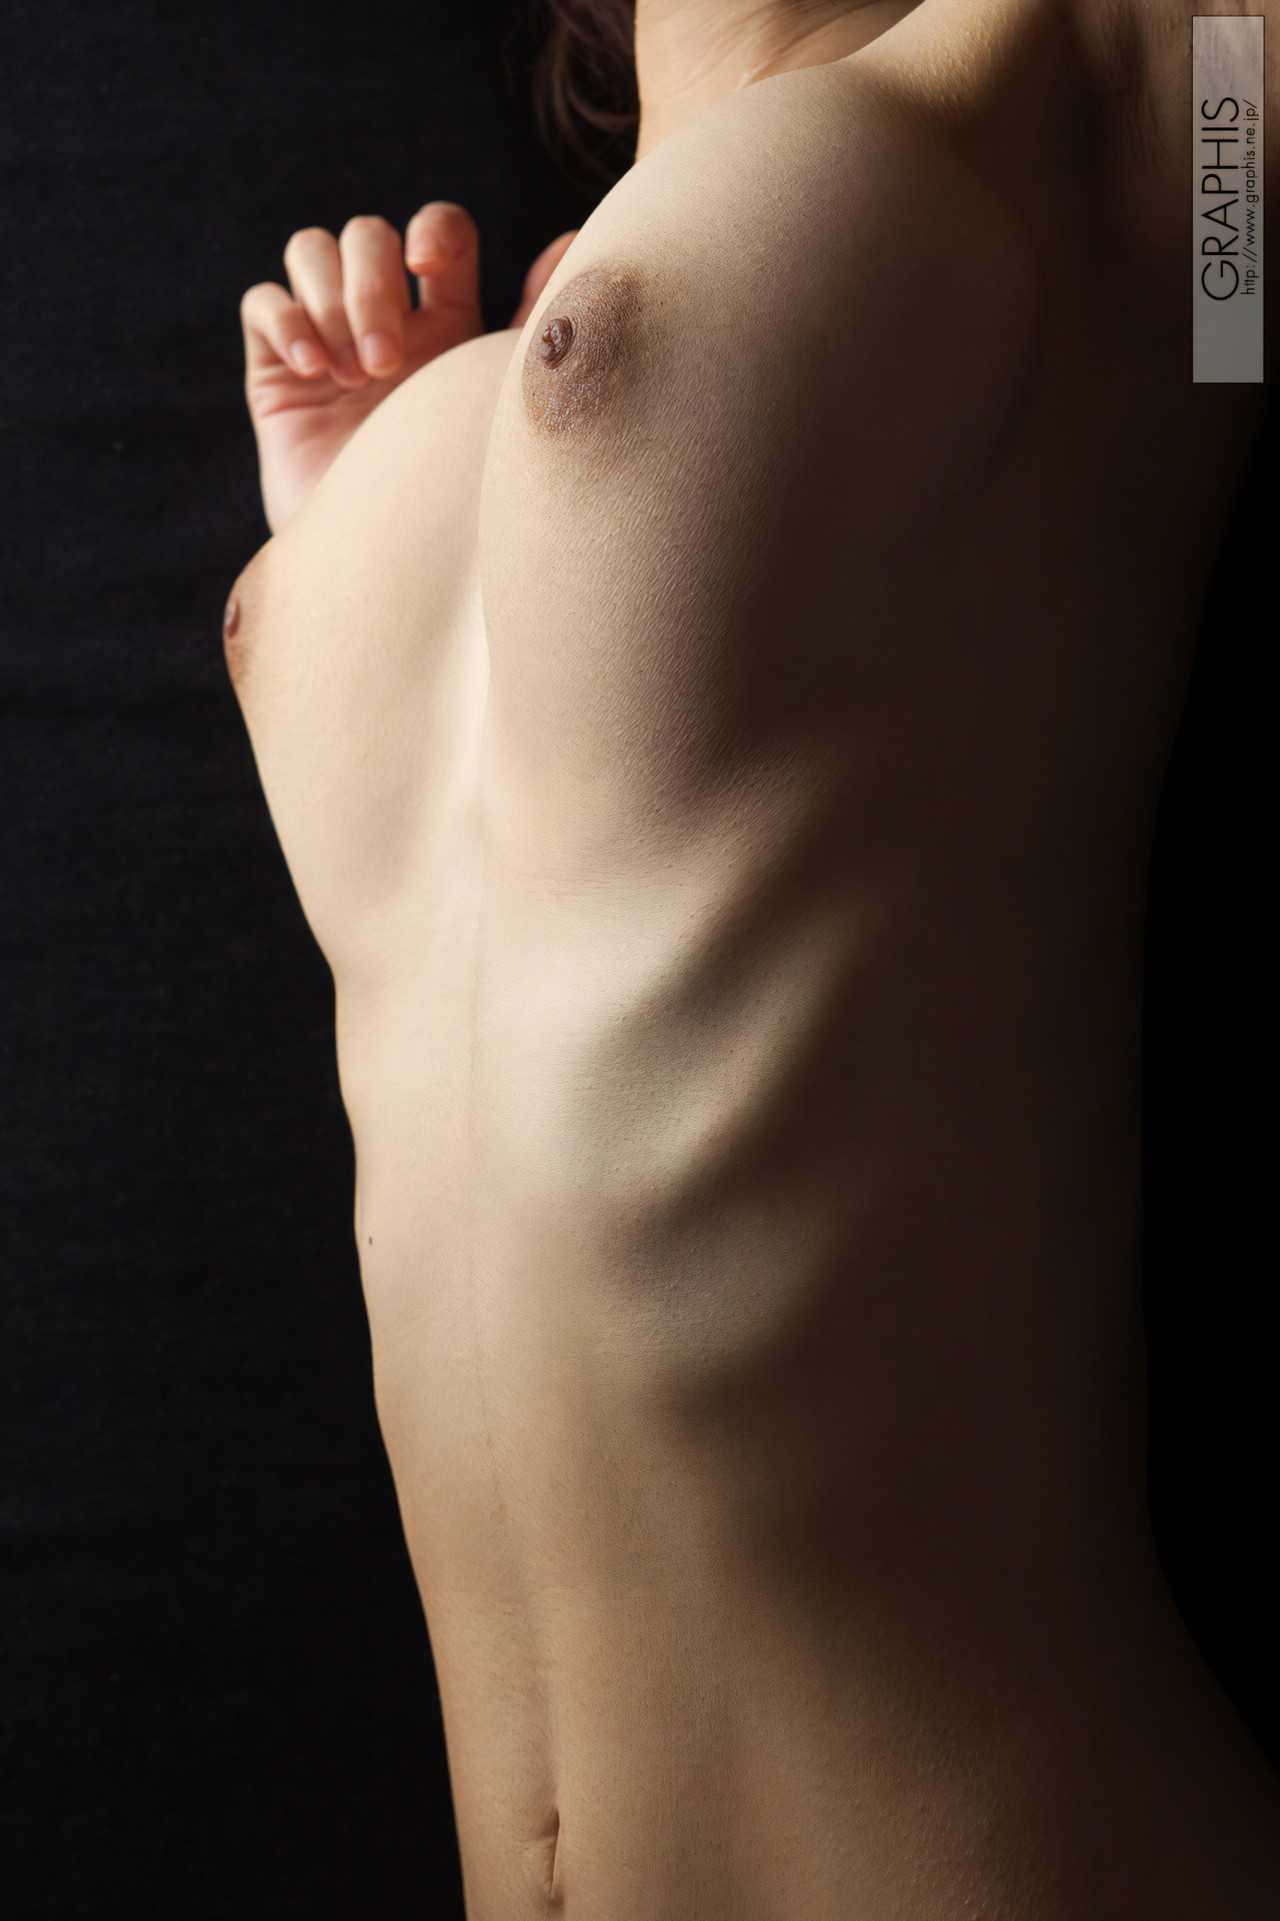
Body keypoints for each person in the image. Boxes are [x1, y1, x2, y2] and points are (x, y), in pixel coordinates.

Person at [225, 1, 1280, 1914]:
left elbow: (1233, 299)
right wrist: (402, 522)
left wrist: (1216, 240)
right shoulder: (504, 355)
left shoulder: (1131, 83)